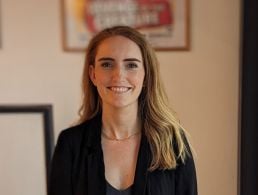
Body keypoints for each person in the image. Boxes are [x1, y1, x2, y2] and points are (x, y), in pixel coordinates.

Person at [48, 26, 197, 195]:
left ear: (146, 75)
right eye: (106, 64)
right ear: (93, 74)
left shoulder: (172, 143)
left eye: (131, 65)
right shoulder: (70, 144)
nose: (118, 75)